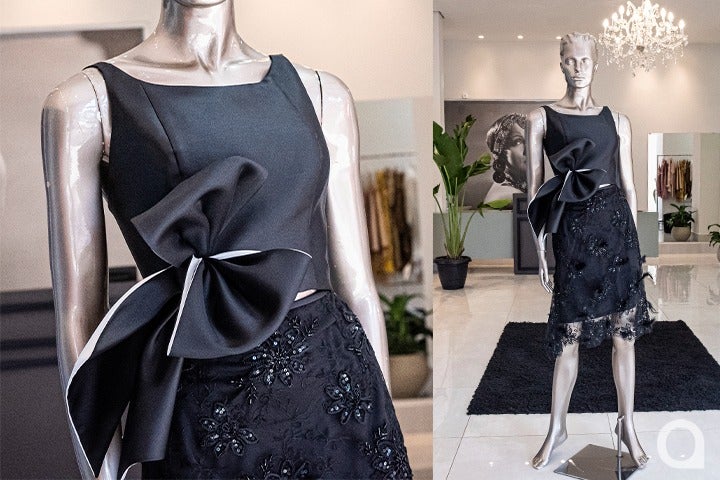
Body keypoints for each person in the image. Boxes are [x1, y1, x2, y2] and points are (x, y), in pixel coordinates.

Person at [42, 1, 411, 478]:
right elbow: (79, 315)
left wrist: (384, 432)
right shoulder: (85, 102)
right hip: (204, 413)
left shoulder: (323, 94)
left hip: (339, 395)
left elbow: (358, 285)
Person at [525, 32, 654, 470]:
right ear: (560, 63)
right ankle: (556, 428)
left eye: (585, 60)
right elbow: (534, 193)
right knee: (568, 337)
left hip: (617, 232)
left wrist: (639, 251)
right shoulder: (540, 118)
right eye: (570, 59)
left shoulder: (618, 120)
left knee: (624, 335)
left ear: (596, 64)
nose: (578, 67)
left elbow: (631, 187)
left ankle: (627, 425)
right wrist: (541, 250)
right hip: (573, 234)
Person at [483, 113, 527, 204]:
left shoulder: (516, 188)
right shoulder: (507, 195)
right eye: (518, 142)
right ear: (501, 153)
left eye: (530, 140)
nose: (528, 149)